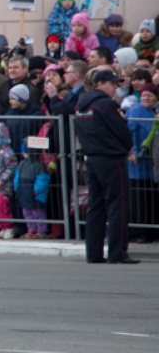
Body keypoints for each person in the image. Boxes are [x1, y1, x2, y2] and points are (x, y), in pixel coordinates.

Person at [75, 69, 139, 263]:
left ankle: (93, 254)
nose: (115, 88)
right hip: (111, 159)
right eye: (112, 84)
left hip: (92, 159)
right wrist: (128, 148)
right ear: (100, 84)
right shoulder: (105, 104)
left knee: (96, 206)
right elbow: (121, 129)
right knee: (117, 205)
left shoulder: (81, 105)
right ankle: (117, 253)